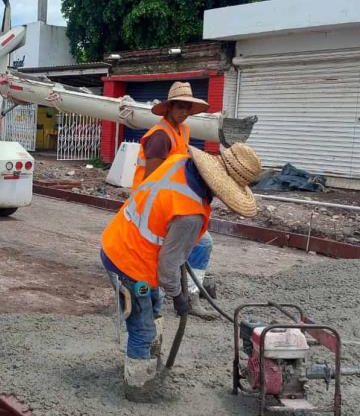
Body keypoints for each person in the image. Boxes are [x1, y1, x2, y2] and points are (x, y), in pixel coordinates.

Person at [102, 143, 261, 402]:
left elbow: (162, 220)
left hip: (123, 241)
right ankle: (138, 387)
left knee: (153, 306)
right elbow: (167, 269)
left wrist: (178, 255)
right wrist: (178, 296)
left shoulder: (179, 162)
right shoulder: (190, 214)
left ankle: (151, 361)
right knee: (142, 327)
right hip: (129, 262)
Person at [134, 81, 217, 320]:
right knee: (185, 247)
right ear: (169, 107)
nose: (183, 112)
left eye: (187, 108)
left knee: (199, 243)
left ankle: (188, 293)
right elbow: (152, 180)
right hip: (151, 204)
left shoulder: (183, 131)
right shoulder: (160, 137)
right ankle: (160, 299)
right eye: (179, 107)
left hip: (171, 202)